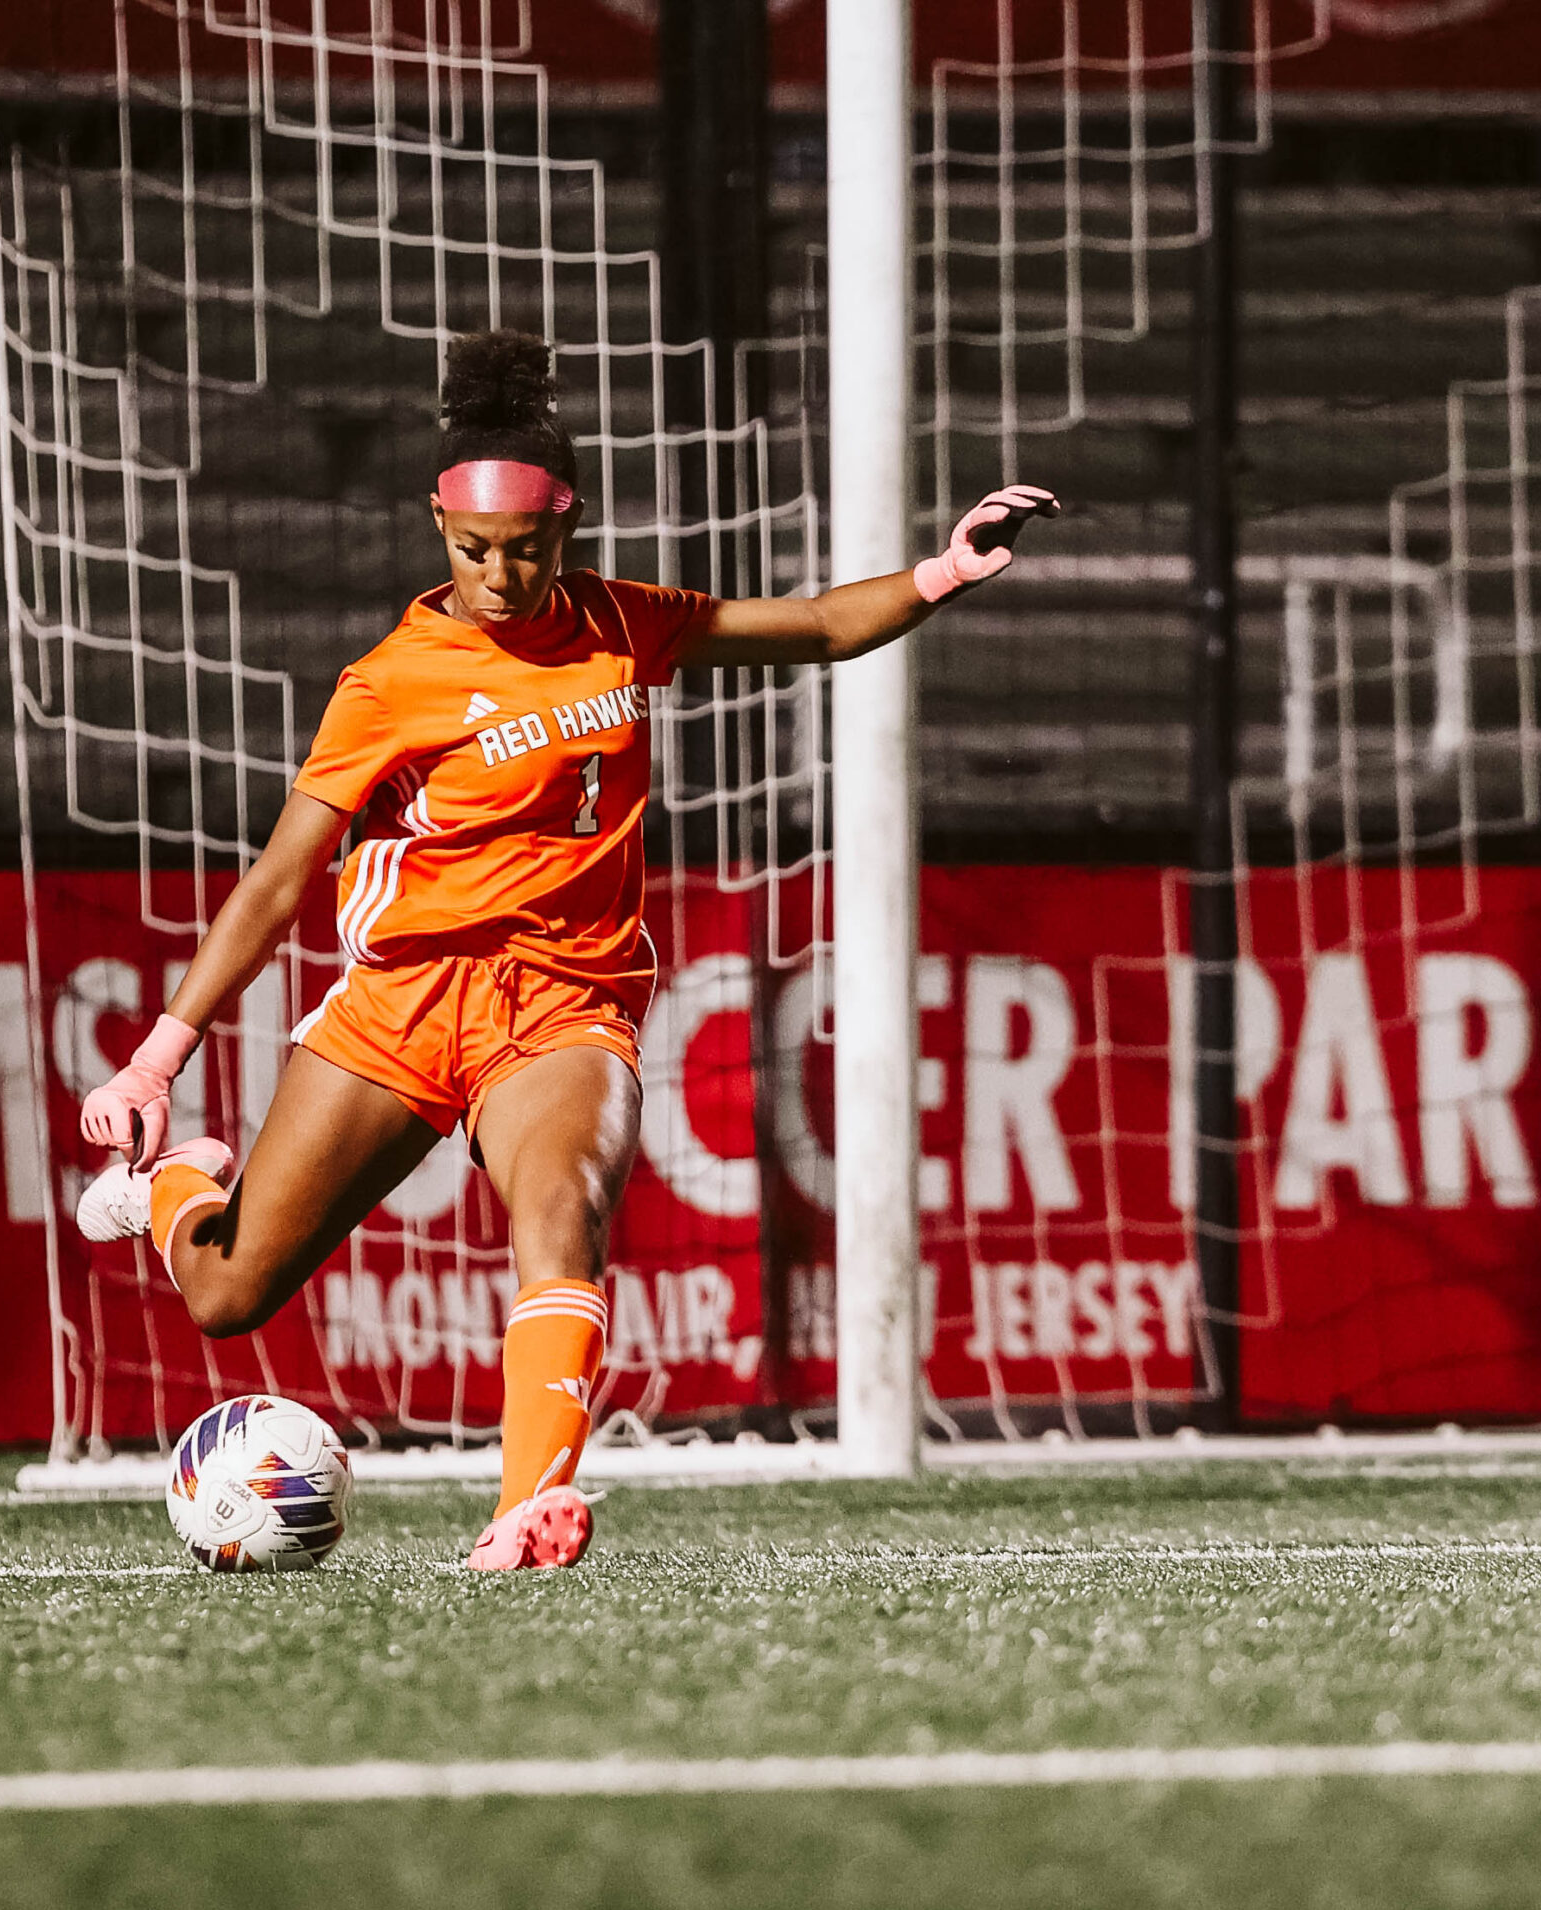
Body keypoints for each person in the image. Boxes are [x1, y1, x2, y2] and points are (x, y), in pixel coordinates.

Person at [75, 328, 1055, 1570]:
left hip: (563, 1005)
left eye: (526, 549)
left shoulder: (620, 624)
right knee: (225, 1297)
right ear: (438, 523)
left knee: (563, 1213)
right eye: (473, 548)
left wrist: (936, 574)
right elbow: (277, 885)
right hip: (402, 1005)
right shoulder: (390, 683)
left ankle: (526, 1509)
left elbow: (809, 625)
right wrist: (159, 1062)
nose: (499, 574)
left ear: (568, 525)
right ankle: (171, 1184)